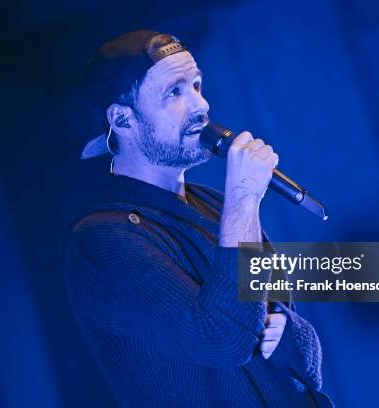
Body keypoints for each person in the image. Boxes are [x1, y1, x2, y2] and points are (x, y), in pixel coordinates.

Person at [62, 30, 333, 407]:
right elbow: (223, 339)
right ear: (123, 120)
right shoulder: (102, 239)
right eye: (174, 92)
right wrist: (244, 197)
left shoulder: (217, 206)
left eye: (196, 85)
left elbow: (293, 348)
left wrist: (295, 339)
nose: (201, 105)